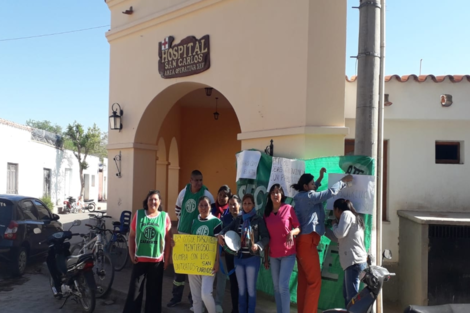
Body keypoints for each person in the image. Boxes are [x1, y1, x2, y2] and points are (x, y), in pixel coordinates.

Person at [291, 172, 353, 313]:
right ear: (306, 186)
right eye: (312, 184)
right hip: (308, 244)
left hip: (302, 243)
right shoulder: (309, 196)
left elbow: (313, 191)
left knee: (304, 282)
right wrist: (343, 181)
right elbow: (327, 193)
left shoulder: (301, 197)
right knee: (314, 283)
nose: (315, 186)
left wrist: (319, 179)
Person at [167, 170, 215, 308]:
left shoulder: (207, 194)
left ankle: (193, 300)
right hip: (183, 236)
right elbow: (177, 210)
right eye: (196, 180)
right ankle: (176, 297)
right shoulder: (183, 193)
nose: (199, 183)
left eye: (201, 180)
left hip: (197, 238)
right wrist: (183, 222)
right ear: (190, 180)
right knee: (180, 270)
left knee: (195, 270)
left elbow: (212, 211)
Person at [218, 194, 270, 313]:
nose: (247, 206)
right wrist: (220, 235)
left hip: (252, 259)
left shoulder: (258, 219)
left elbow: (266, 237)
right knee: (241, 289)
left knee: (250, 290)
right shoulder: (238, 219)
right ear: (242, 205)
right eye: (245, 203)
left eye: (249, 203)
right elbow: (225, 229)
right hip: (239, 259)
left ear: (253, 205)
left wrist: (259, 245)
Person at [123, 190, 172, 313]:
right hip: (139, 261)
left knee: (154, 294)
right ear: (147, 202)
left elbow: (168, 239)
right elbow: (132, 236)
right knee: (135, 293)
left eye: (156, 199)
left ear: (159, 202)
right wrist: (131, 253)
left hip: (157, 263)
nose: (153, 202)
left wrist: (167, 259)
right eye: (151, 199)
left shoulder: (164, 217)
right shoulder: (139, 215)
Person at [263, 184, 300, 313]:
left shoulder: (288, 208)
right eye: (273, 192)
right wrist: (266, 257)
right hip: (273, 255)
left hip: (288, 253)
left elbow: (298, 228)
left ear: (282, 194)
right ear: (270, 196)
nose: (275, 195)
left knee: (283, 286)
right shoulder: (266, 214)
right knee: (276, 287)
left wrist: (292, 233)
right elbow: (266, 237)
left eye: (278, 192)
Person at [183, 196, 222, 313]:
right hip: (194, 264)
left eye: (206, 205)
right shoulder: (194, 222)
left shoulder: (216, 222)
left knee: (205, 294)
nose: (203, 208)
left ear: (210, 207)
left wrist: (217, 261)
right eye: (201, 205)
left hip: (208, 264)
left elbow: (218, 245)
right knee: (196, 297)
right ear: (198, 207)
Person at [332, 199, 367, 307]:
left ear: (338, 209)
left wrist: (333, 225)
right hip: (356, 261)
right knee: (348, 295)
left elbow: (339, 234)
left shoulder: (346, 214)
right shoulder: (355, 217)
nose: (334, 215)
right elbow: (339, 238)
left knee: (351, 298)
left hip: (353, 262)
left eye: (334, 211)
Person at [211, 185, 232, 313]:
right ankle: (202, 302)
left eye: (225, 195)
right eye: (220, 195)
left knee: (221, 278)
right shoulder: (211, 209)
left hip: (223, 251)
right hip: (209, 250)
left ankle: (218, 303)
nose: (222, 198)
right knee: (207, 276)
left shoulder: (231, 212)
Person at [221, 194, 242, 313]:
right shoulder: (226, 218)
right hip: (230, 257)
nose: (233, 207)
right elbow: (222, 234)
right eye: (230, 205)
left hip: (243, 257)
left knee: (242, 284)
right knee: (233, 283)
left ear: (239, 204)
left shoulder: (245, 217)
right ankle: (235, 309)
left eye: (235, 204)